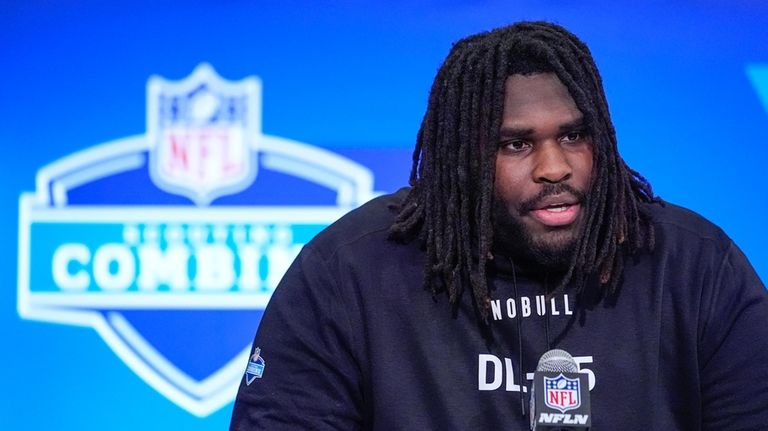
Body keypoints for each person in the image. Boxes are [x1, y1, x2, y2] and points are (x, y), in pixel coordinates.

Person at [230, 21, 768, 430]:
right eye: (516, 144)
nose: (555, 167)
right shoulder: (350, 272)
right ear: (462, 158)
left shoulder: (695, 265)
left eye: (574, 136)